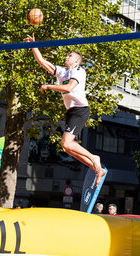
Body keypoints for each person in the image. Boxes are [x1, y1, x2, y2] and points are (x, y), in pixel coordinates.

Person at [25, 34, 105, 185]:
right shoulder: (63, 71)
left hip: (81, 110)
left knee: (67, 143)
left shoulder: (79, 71)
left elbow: (68, 88)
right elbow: (42, 62)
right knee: (66, 147)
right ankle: (96, 168)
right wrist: (33, 45)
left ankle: (95, 159)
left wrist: (48, 86)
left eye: (70, 55)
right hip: (70, 112)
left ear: (76, 60)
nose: (67, 57)